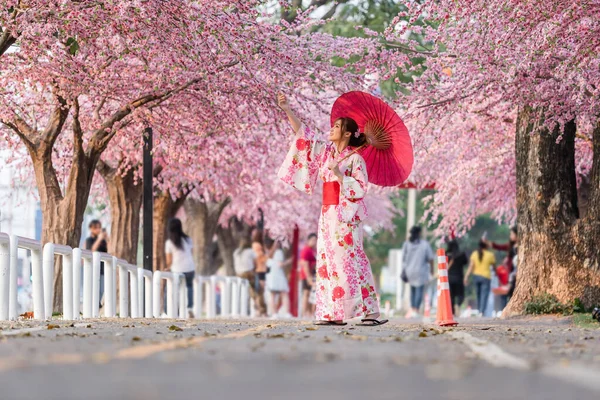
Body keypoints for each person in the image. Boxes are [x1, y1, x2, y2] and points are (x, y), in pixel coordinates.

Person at [277, 93, 386, 326]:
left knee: (350, 259)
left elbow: (360, 188)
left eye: (337, 127)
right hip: (327, 213)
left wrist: (340, 176)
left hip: (346, 215)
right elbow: (304, 138)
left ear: (347, 133)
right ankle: (332, 312)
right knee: (327, 260)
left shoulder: (356, 160)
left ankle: (368, 311)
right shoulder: (327, 152)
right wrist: (287, 109)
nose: (332, 129)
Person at [164, 218, 195, 317]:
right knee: (189, 287)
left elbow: (169, 260)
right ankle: (189, 308)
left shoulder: (169, 243)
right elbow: (191, 253)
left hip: (177, 269)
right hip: (190, 268)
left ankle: (168, 311)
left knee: (170, 289)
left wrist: (167, 267)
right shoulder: (188, 239)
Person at [401, 226, 434, 318]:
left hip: (409, 270)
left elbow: (403, 258)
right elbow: (430, 258)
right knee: (419, 289)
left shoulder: (407, 244)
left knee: (412, 289)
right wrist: (432, 270)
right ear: (419, 233)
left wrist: (404, 269)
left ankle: (412, 309)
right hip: (420, 270)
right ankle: (416, 309)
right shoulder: (424, 244)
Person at [486, 226, 519, 308]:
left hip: (518, 270)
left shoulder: (523, 245)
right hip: (512, 271)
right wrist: (488, 243)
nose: (510, 236)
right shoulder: (510, 246)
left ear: (517, 235)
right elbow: (499, 246)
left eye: (512, 234)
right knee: (509, 290)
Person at [233, 237, 267, 316]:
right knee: (259, 290)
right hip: (248, 273)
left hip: (238, 274)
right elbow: (255, 263)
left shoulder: (236, 252)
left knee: (250, 289)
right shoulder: (250, 251)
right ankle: (262, 310)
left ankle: (254, 306)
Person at [464, 240, 496, 316]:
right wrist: (497, 273)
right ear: (486, 246)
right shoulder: (490, 255)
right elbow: (494, 267)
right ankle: (482, 311)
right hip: (486, 277)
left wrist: (466, 276)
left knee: (478, 294)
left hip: (476, 276)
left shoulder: (474, 254)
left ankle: (479, 310)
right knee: (484, 294)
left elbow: (471, 266)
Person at [84, 220, 109, 309]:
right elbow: (91, 250)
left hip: (102, 268)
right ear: (91, 229)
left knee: (101, 290)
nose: (98, 230)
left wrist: (105, 238)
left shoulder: (103, 241)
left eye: (99, 227)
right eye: (96, 228)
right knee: (94, 289)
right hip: (93, 268)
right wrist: (99, 239)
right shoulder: (89, 240)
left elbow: (109, 251)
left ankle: (97, 307)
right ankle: (93, 308)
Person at [265, 239, 291, 318]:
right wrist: (289, 261)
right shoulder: (278, 252)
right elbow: (280, 264)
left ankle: (274, 313)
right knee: (284, 294)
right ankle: (287, 313)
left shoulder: (269, 253)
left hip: (271, 277)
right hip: (279, 275)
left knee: (272, 295)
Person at [446, 239, 469, 316]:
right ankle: (458, 304)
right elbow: (466, 262)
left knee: (451, 296)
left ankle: (452, 312)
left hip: (449, 278)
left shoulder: (446, 255)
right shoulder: (461, 254)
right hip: (459, 278)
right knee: (460, 295)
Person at [299, 233, 318, 318]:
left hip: (313, 275)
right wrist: (308, 277)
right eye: (313, 240)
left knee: (311, 295)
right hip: (307, 275)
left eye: (315, 240)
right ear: (308, 241)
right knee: (306, 294)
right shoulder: (306, 250)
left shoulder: (313, 251)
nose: (314, 242)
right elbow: (305, 264)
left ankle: (310, 313)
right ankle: (304, 314)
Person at [251, 230, 268, 317]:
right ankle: (259, 310)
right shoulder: (257, 245)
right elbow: (258, 257)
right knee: (259, 291)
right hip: (258, 270)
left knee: (260, 291)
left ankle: (261, 310)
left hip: (261, 270)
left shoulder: (260, 246)